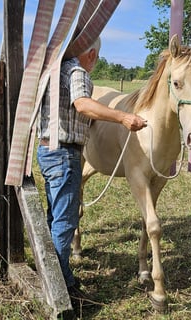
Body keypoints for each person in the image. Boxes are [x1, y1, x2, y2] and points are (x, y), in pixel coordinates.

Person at [36, 37, 147, 301]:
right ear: (92, 54)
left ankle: (57, 274)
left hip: (47, 151)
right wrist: (122, 116)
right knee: (65, 222)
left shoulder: (56, 71)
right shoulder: (78, 72)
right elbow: (83, 104)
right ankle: (60, 285)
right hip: (65, 154)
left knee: (55, 217)